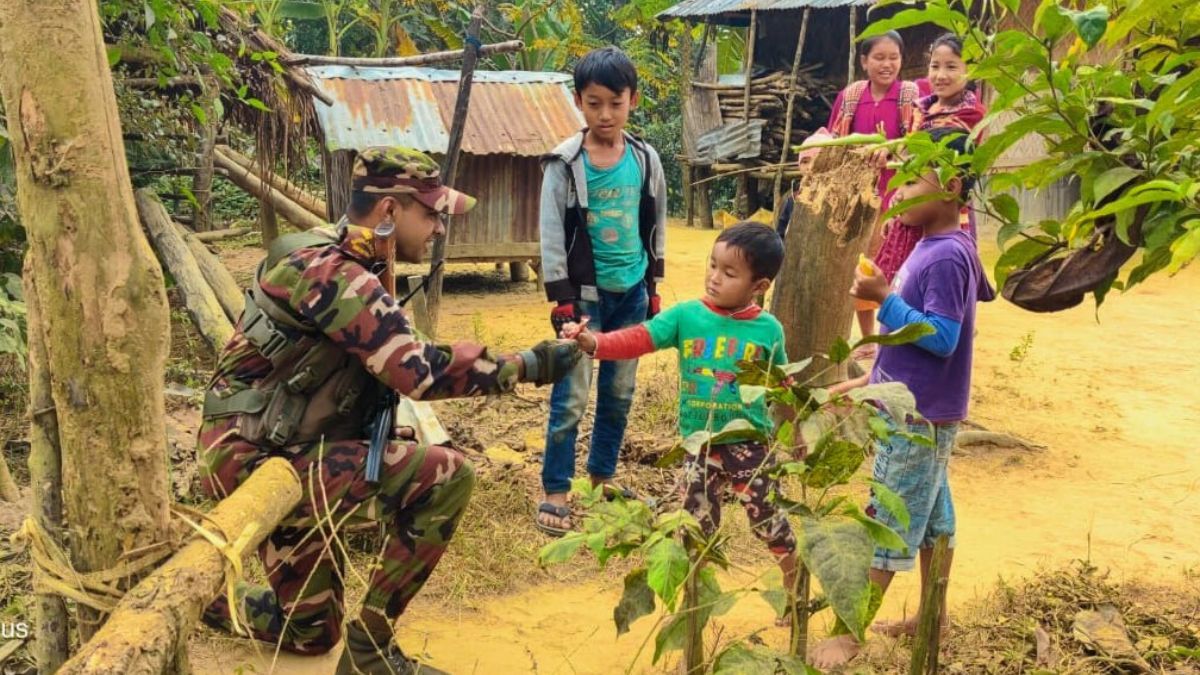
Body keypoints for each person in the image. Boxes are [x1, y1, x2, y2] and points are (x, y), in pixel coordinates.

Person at [197, 147, 581, 675]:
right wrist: (529, 365)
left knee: (310, 630)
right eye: (432, 213)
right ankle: (369, 653)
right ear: (390, 212)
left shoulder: (356, 262)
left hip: (279, 445)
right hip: (254, 457)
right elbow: (419, 372)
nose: (441, 227)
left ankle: (204, 600)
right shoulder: (333, 273)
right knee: (445, 476)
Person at [810, 128, 995, 669]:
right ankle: (931, 616)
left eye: (915, 177)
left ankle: (850, 632)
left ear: (953, 186)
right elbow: (908, 348)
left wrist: (884, 298)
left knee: (888, 516)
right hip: (914, 406)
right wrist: (867, 381)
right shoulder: (932, 247)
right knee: (934, 520)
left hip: (919, 418)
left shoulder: (947, 257)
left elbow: (941, 339)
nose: (900, 187)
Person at [563, 223, 799, 619]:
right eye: (712, 265)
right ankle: (694, 606)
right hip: (698, 444)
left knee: (769, 521)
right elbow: (640, 337)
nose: (714, 277)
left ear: (759, 286)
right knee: (695, 527)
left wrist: (797, 432)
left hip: (751, 446)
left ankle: (795, 593)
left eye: (729, 272)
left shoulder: (768, 329)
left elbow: (783, 385)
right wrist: (596, 343)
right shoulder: (687, 316)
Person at [536, 45, 668, 535]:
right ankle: (556, 489)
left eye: (615, 102)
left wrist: (653, 285)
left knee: (620, 391)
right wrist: (561, 297)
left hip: (631, 292)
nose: (605, 114)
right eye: (595, 103)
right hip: (585, 297)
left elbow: (655, 222)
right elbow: (551, 232)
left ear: (632, 99)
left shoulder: (645, 159)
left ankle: (600, 479)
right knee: (571, 396)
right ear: (579, 102)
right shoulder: (564, 164)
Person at [827, 30, 923, 355]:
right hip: (859, 199)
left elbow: (919, 147)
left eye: (893, 58)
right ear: (864, 61)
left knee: (900, 266)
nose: (887, 64)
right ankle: (868, 339)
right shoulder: (851, 97)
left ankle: (898, 333)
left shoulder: (911, 97)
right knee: (863, 266)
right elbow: (833, 143)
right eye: (879, 58)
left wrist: (892, 155)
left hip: (898, 200)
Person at [874, 33, 988, 283]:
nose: (940, 75)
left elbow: (930, 158)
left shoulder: (973, 114)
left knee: (940, 277)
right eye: (934, 66)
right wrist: (896, 207)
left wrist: (898, 152)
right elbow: (910, 161)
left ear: (971, 71)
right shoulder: (922, 108)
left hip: (944, 209)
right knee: (904, 281)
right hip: (914, 202)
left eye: (951, 67)